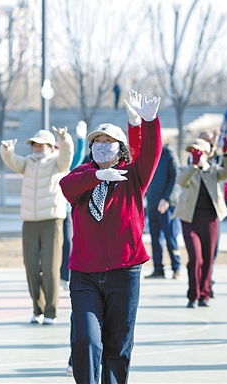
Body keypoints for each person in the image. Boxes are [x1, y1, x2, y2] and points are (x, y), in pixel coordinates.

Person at [60, 91, 162, 384]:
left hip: (124, 272)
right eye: (98, 143)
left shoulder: (133, 176)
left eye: (109, 142)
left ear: (121, 149)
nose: (102, 147)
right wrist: (97, 177)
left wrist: (147, 122)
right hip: (85, 275)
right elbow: (66, 186)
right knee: (86, 341)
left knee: (118, 345)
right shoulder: (82, 175)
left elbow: (151, 153)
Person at [0, 126, 74, 325]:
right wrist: (6, 150)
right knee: (31, 267)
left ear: (50, 146)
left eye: (41, 145)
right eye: (34, 145)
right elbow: (12, 161)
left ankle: (51, 311)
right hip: (30, 221)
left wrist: (64, 138)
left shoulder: (58, 162)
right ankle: (37, 309)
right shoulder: (28, 163)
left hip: (52, 221)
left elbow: (67, 155)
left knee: (50, 267)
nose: (37, 148)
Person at [173, 137, 227, 308]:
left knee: (208, 258)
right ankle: (193, 295)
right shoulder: (186, 169)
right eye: (193, 152)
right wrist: (193, 165)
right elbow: (181, 181)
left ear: (207, 154)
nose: (195, 154)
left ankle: (204, 294)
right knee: (195, 258)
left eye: (199, 152)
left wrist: (226, 154)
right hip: (189, 220)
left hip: (210, 220)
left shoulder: (214, 171)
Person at [144, 143, 181, 280]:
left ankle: (176, 268)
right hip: (152, 204)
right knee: (155, 239)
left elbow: (176, 178)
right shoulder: (149, 156)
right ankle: (158, 269)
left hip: (166, 205)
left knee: (170, 238)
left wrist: (166, 199)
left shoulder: (169, 154)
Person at [61, 120, 87, 291]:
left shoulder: (65, 166)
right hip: (49, 213)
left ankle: (64, 276)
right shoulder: (45, 166)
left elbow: (78, 156)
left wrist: (81, 139)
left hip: (65, 212)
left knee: (67, 243)